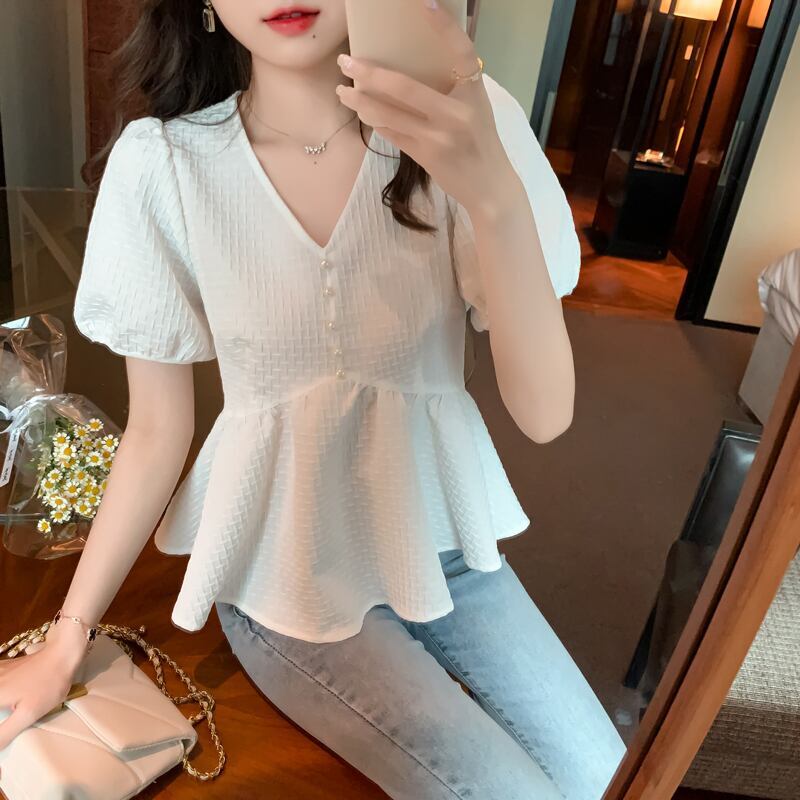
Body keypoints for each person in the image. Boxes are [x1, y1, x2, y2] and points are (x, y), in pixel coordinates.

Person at [0, 1, 626, 797]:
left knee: (612, 777)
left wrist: (493, 193)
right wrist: (67, 638)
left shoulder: (464, 122)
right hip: (285, 573)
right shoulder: (163, 163)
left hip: (446, 550)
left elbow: (545, 415)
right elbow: (157, 431)